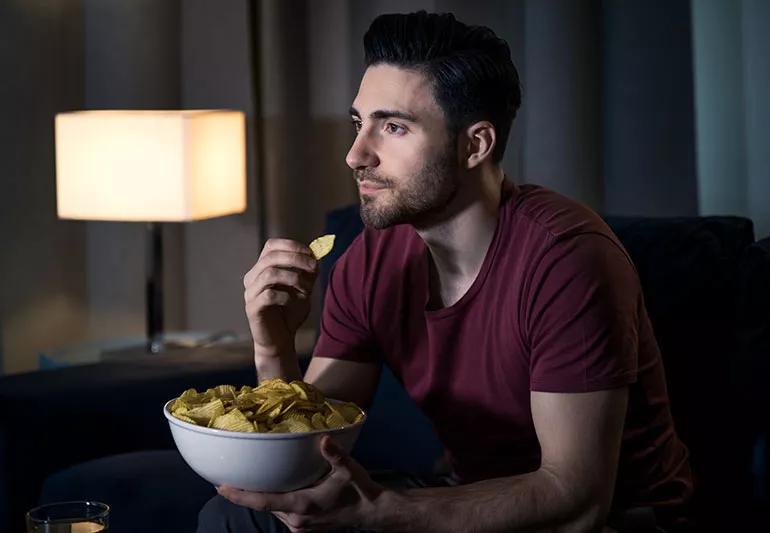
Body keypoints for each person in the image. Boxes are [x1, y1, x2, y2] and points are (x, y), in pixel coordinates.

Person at [199, 11, 693, 533]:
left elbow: (578, 498)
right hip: (469, 498)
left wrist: (389, 514)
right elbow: (309, 460)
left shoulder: (567, 259)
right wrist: (273, 344)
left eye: (392, 127)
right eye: (358, 123)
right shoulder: (368, 261)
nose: (355, 155)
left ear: (474, 145)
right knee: (236, 519)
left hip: (620, 519)